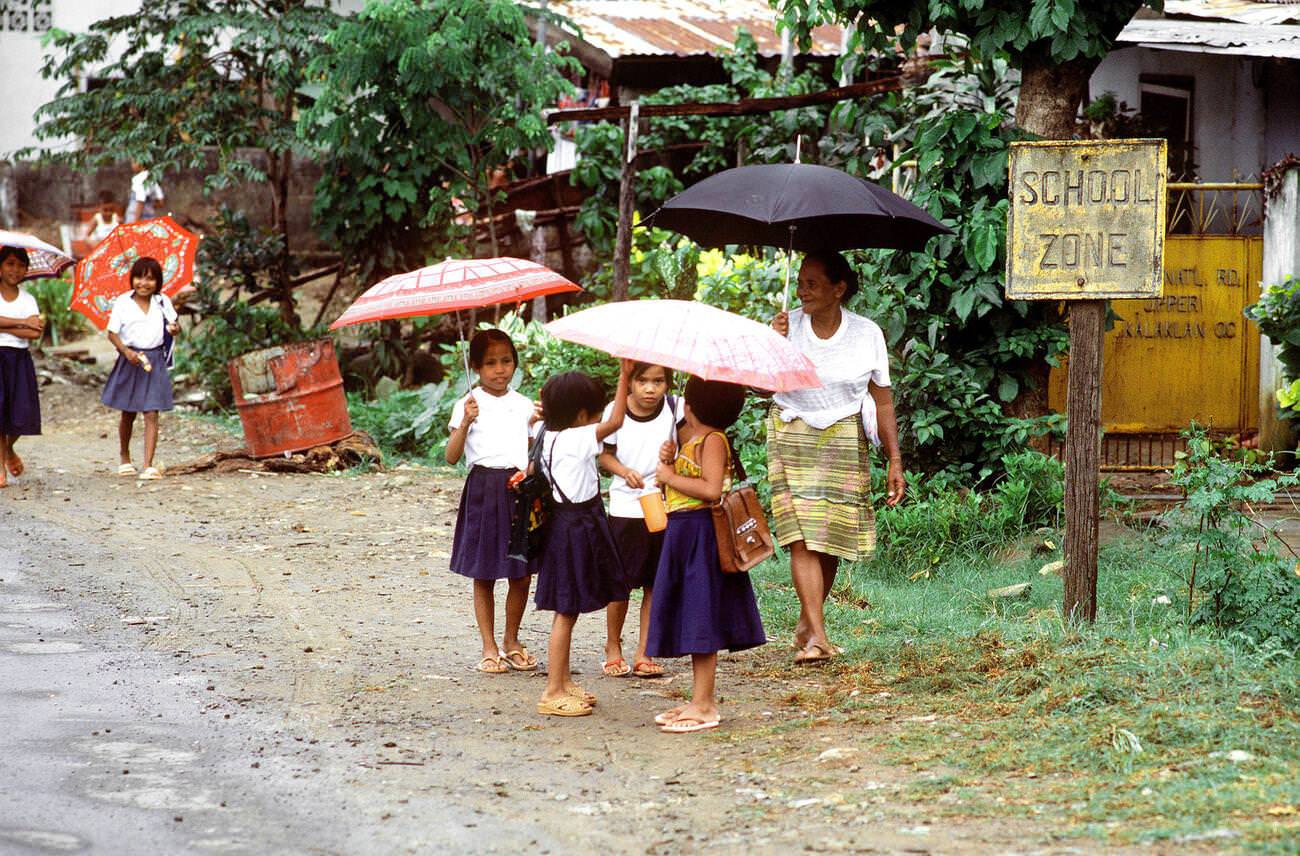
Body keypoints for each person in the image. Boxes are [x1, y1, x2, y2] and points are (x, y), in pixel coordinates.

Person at [770, 251, 906, 666]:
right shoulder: (784, 325)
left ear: (838, 288)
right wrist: (773, 344)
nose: (802, 291)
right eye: (801, 283)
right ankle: (818, 638)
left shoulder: (867, 333)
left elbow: (882, 402)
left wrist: (895, 461)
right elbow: (759, 387)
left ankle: (807, 624)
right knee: (800, 536)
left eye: (812, 283)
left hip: (843, 437)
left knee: (828, 541)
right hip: (790, 433)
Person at [646, 377, 765, 734]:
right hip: (684, 533)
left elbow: (711, 490)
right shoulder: (694, 439)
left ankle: (705, 704)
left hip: (702, 535)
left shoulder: (713, 440)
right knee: (692, 615)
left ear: (689, 407)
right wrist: (673, 458)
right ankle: (698, 699)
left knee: (701, 618)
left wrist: (669, 474)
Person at [531, 362, 632, 717]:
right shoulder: (575, 438)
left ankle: (563, 681)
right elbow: (617, 422)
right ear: (580, 416)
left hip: (569, 523)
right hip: (575, 525)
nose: (599, 420)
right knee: (566, 610)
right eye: (595, 414)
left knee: (568, 609)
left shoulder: (548, 434)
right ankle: (552, 690)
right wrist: (624, 377)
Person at [445, 329, 541, 675]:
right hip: (483, 490)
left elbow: (533, 452)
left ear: (515, 363)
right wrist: (466, 422)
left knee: (521, 572)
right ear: (475, 367)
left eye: (506, 361)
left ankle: (512, 640)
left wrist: (536, 428)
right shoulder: (468, 404)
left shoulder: (525, 404)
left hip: (518, 490)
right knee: (484, 573)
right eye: (490, 363)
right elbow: (451, 457)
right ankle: (489, 646)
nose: (499, 370)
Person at [598, 362, 677, 679]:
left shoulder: (674, 409)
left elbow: (690, 449)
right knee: (621, 584)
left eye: (658, 381)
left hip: (661, 504)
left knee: (653, 584)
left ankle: (644, 650)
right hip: (625, 506)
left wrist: (673, 456)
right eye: (642, 380)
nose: (650, 389)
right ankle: (613, 647)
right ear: (629, 382)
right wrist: (622, 470)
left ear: (668, 384)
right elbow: (604, 454)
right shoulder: (614, 410)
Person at [102, 257, 179, 480]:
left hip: (154, 359)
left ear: (158, 282)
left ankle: (148, 464)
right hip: (131, 358)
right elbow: (112, 333)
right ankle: (125, 457)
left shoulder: (163, 302)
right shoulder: (123, 302)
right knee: (128, 412)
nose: (143, 283)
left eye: (150, 278)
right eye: (139, 277)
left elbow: (174, 326)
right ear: (131, 279)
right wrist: (126, 352)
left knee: (152, 411)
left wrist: (174, 329)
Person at [0, 247, 45, 487]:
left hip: (18, 359)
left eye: (20, 265)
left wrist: (10, 327)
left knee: (21, 413)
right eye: (9, 263)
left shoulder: (28, 299)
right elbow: (26, 326)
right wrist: (20, 323)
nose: (14, 270)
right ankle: (0, 471)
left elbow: (34, 333)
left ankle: (8, 450)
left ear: (27, 270)